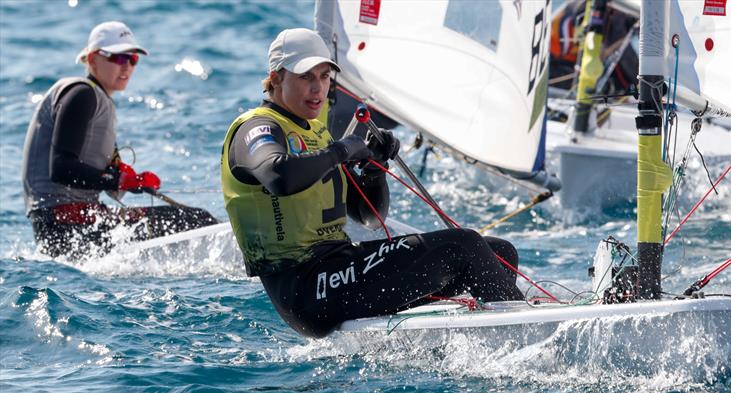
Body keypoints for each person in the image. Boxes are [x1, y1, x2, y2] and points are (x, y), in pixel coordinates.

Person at [221, 28, 525, 338]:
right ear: (276, 78)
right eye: (305, 77)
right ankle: (522, 335)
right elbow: (278, 176)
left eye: (325, 77)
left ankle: (490, 342)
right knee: (465, 245)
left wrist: (373, 169)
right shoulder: (256, 128)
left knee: (500, 255)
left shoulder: (316, 133)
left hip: (339, 269)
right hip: (307, 289)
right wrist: (341, 150)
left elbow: (367, 216)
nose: (318, 88)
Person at [21, 21, 217, 259]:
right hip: (67, 226)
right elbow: (61, 168)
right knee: (198, 219)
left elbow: (86, 172)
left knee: (192, 219)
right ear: (92, 60)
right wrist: (119, 180)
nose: (127, 67)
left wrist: (124, 177)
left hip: (64, 227)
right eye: (118, 58)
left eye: (133, 59)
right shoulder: (81, 94)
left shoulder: (93, 97)